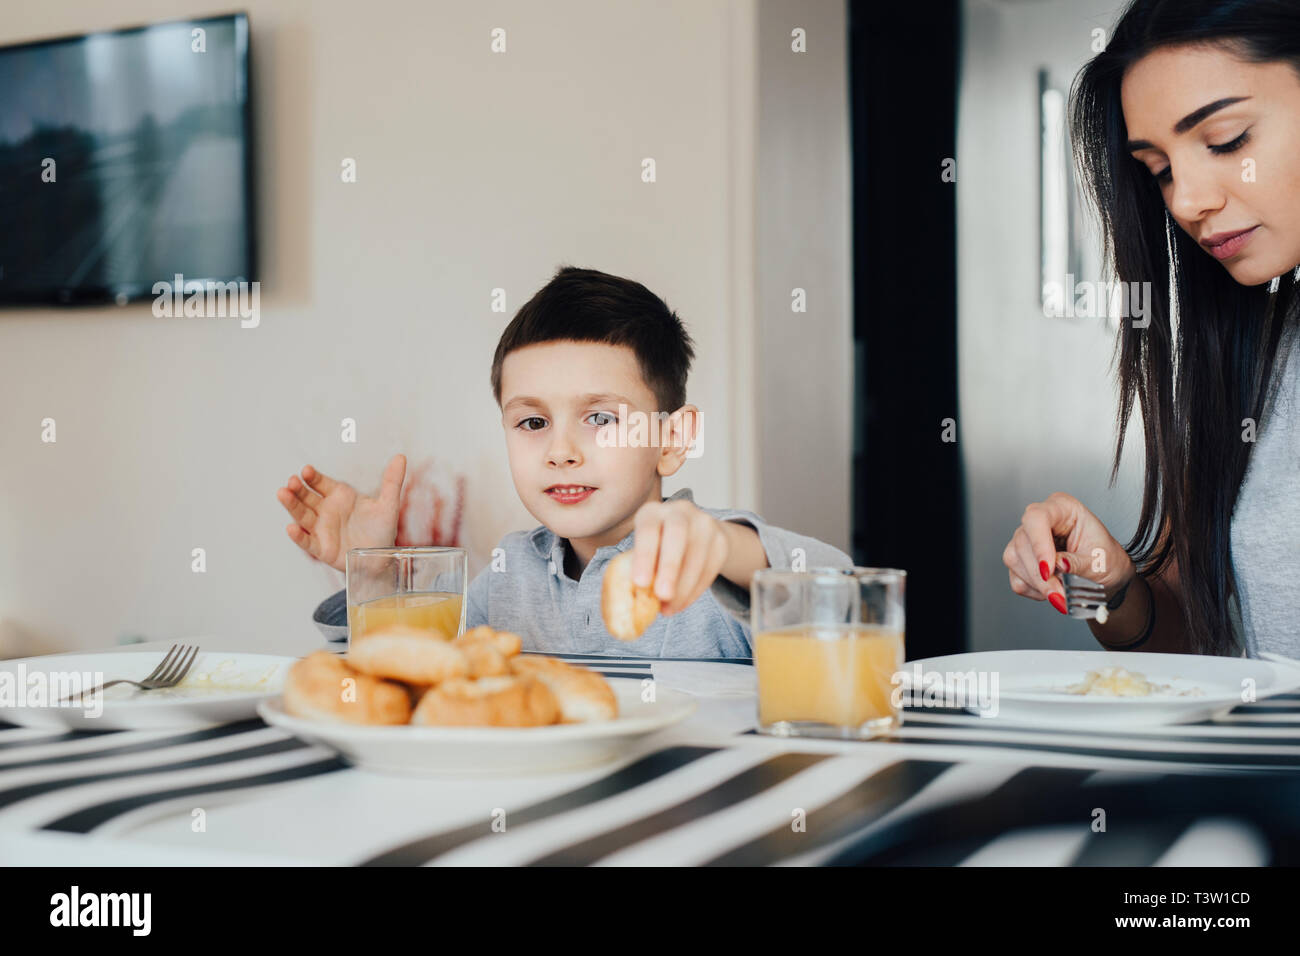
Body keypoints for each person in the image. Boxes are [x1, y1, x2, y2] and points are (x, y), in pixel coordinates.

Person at [276, 266, 852, 657]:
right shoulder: (506, 578)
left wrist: (727, 548)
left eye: (600, 418)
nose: (561, 451)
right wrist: (374, 578)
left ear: (673, 439)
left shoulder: (712, 561)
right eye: (532, 423)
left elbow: (847, 603)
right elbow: (412, 675)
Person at [1003, 0, 1300, 657]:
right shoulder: (1257, 351)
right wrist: (1109, 586)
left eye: (1226, 140)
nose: (1187, 201)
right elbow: (1189, 643)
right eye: (1159, 170)